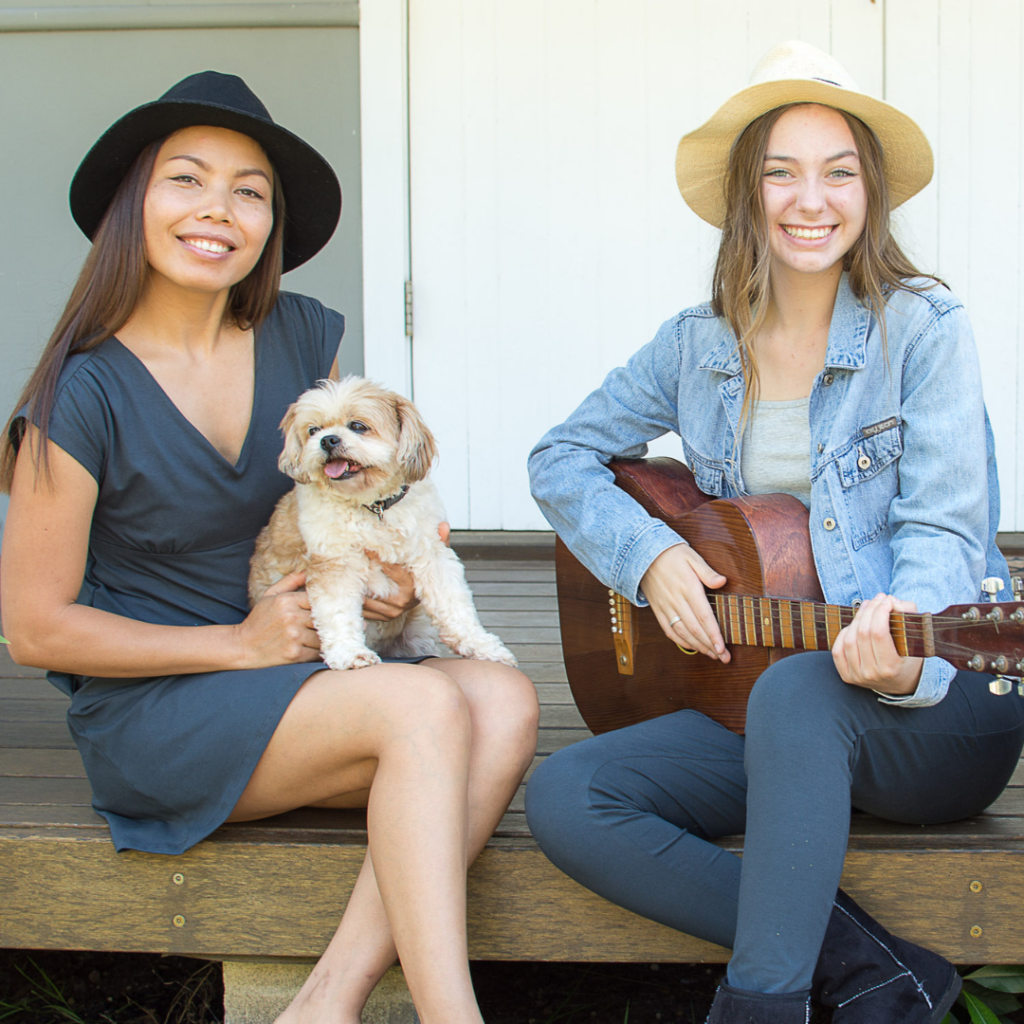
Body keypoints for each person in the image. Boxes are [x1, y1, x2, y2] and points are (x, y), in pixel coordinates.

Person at [0, 71, 538, 1024]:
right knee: (421, 706)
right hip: (161, 702)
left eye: (250, 190)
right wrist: (237, 645)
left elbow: (347, 502)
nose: (219, 210)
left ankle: (324, 1002)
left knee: (501, 695)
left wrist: (387, 579)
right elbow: (35, 631)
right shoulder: (77, 396)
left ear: (269, 225)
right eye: (187, 179)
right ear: (134, 202)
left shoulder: (299, 335)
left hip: (299, 670)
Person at [526, 40, 1024, 1024]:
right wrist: (651, 554)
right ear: (746, 194)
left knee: (807, 688)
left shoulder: (922, 328)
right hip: (771, 705)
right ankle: (873, 969)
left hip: (937, 702)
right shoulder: (697, 341)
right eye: (780, 172)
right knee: (569, 794)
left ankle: (757, 1009)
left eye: (838, 171)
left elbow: (941, 528)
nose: (811, 199)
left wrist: (904, 657)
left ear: (869, 192)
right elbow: (559, 457)